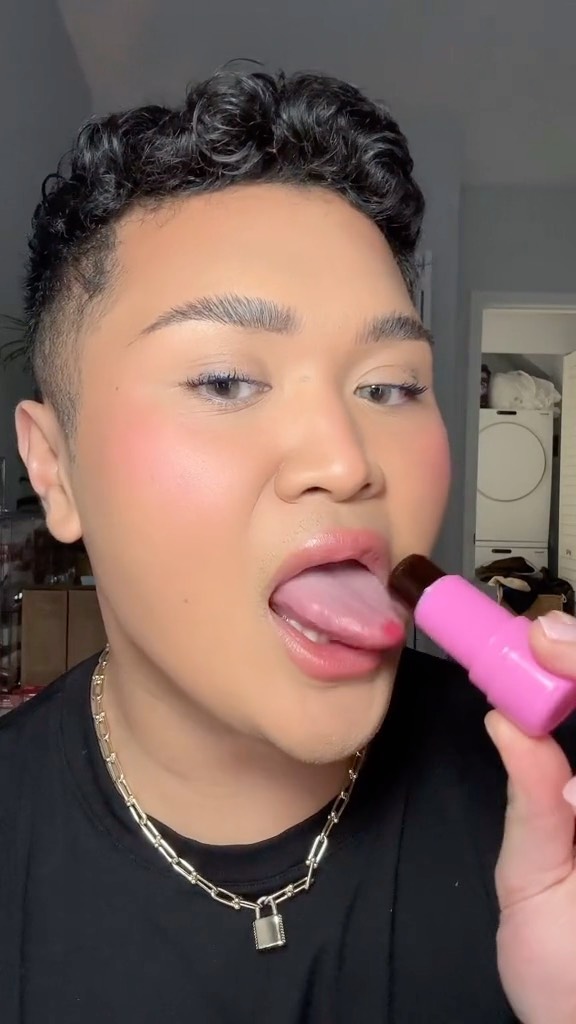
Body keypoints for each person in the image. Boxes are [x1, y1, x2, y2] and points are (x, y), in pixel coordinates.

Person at [1, 69, 576, 1024]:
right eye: (226, 380)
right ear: (55, 468)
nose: (347, 461)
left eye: (390, 388)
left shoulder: (553, 796)